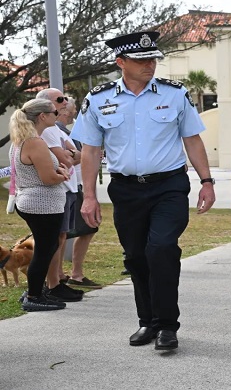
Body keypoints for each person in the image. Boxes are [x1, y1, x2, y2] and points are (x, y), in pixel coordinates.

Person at [71, 31, 216, 351]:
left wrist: (207, 181)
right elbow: (90, 150)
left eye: (153, 59)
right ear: (121, 62)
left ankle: (167, 325)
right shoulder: (98, 99)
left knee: (162, 248)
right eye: (142, 60)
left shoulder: (175, 94)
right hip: (126, 190)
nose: (150, 65)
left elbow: (192, 139)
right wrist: (89, 196)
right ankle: (147, 321)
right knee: (136, 256)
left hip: (169, 186)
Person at [8, 99, 71, 311]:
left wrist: (57, 172)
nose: (58, 115)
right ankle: (34, 296)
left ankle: (35, 290)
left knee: (47, 247)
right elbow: (48, 178)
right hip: (41, 204)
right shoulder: (35, 142)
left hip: (34, 202)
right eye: (55, 112)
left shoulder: (21, 140)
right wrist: (63, 174)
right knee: (45, 249)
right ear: (42, 116)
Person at [36, 88, 84, 303]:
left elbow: (78, 155)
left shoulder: (57, 129)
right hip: (58, 190)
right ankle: (52, 284)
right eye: (60, 99)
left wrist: (71, 154)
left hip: (69, 188)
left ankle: (57, 280)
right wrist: (70, 155)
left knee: (62, 236)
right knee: (54, 239)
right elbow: (67, 160)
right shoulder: (46, 130)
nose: (65, 102)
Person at [57, 99, 102, 289]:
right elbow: (65, 159)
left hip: (77, 186)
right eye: (74, 109)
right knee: (66, 233)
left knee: (85, 229)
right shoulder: (56, 131)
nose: (75, 112)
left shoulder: (69, 131)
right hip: (68, 187)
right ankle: (65, 275)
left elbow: (77, 155)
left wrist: (86, 155)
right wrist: (86, 156)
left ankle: (71, 274)